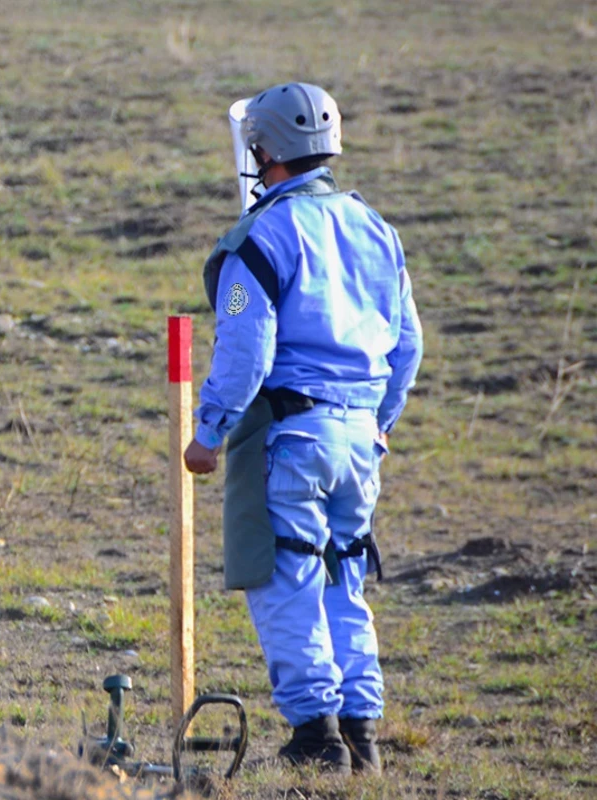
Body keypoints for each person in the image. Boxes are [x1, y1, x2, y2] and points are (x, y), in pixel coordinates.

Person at [183, 82, 423, 775]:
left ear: (266, 152)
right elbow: (408, 345)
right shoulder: (377, 229)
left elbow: (246, 351)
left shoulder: (261, 237)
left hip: (291, 440)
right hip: (358, 442)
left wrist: (209, 432)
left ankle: (317, 738)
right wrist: (380, 423)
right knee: (345, 581)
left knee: (287, 581)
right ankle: (361, 736)